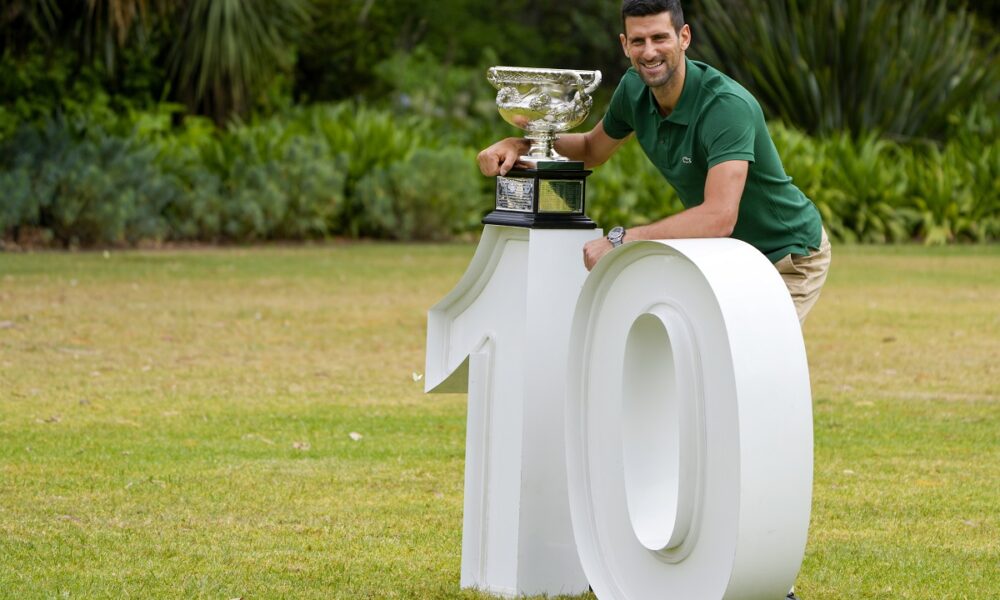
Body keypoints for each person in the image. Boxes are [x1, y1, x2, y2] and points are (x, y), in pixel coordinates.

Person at [476, 0, 831, 326]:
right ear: (624, 44)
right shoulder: (633, 90)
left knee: (751, 364)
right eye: (638, 40)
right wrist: (521, 144)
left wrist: (620, 241)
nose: (649, 52)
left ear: (684, 37)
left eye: (660, 38)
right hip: (727, 255)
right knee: (700, 358)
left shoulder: (725, 107)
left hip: (787, 254)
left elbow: (720, 216)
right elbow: (590, 148)